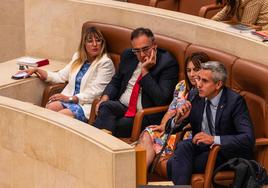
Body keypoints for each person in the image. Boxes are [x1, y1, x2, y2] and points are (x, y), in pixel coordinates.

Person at [166, 61, 255, 185]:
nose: (198, 84)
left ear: (218, 84)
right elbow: (169, 129)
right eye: (198, 79)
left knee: (173, 163)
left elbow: (247, 138)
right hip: (201, 147)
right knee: (183, 146)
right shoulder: (195, 94)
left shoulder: (234, 102)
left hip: (224, 152)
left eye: (205, 81)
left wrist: (214, 139)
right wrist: (178, 119)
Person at [94, 27, 179, 137]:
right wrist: (105, 98)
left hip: (143, 114)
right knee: (105, 106)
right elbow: (116, 81)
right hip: (122, 105)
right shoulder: (129, 55)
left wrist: (145, 72)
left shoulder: (167, 63)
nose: (142, 54)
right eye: (137, 50)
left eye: (145, 49)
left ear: (154, 45)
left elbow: (161, 99)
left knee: (107, 125)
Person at [22, 27, 115, 122]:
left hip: (87, 104)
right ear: (84, 44)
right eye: (90, 41)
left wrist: (71, 98)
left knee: (60, 117)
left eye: (98, 41)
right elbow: (61, 76)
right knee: (49, 109)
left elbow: (96, 92)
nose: (94, 44)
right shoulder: (78, 57)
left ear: (102, 44)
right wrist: (38, 70)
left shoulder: (105, 63)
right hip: (69, 99)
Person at [137, 52, 209, 169]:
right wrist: (163, 125)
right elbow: (170, 110)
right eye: (188, 70)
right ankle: (139, 175)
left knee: (149, 140)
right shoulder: (181, 86)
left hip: (186, 133)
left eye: (195, 70)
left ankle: (137, 176)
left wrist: (178, 121)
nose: (191, 74)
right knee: (148, 131)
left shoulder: (205, 91)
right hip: (172, 126)